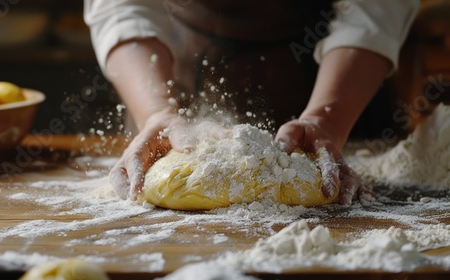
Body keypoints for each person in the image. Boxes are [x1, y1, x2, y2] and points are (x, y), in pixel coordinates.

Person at [84, 0, 420, 205]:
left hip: (337, 79)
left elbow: (376, 7)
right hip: (171, 72)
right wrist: (157, 111)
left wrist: (326, 119)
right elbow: (123, 7)